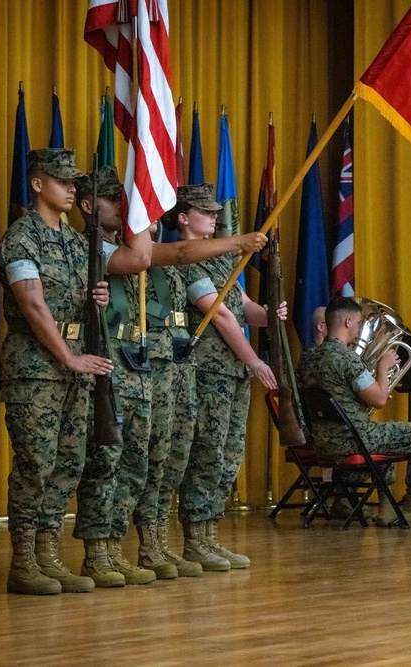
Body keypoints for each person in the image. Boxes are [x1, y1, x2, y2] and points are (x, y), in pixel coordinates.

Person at [73, 169, 269, 582]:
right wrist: (239, 241)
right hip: (117, 366)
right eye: (115, 201)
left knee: (160, 462)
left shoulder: (151, 252)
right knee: (111, 462)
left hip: (161, 369)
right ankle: (101, 551)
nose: (129, 209)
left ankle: (154, 544)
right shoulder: (91, 250)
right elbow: (172, 257)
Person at [0, 148, 118, 596]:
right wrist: (68, 357)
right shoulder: (21, 238)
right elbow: (31, 303)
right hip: (37, 367)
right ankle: (24, 562)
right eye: (64, 181)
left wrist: (97, 300)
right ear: (37, 185)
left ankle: (48, 555)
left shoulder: (76, 242)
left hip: (76, 365)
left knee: (69, 462)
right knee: (36, 463)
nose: (72, 189)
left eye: (74, 183)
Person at [174, 183, 285, 571]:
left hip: (231, 372)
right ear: (184, 217)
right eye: (205, 212)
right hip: (209, 372)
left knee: (227, 455)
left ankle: (211, 536)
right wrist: (255, 360)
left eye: (216, 211)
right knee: (206, 453)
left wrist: (269, 313)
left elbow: (243, 307)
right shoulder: (184, 259)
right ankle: (194, 539)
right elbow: (217, 313)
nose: (214, 217)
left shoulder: (223, 260)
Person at [297, 296, 411, 529]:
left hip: (322, 441)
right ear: (348, 322)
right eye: (358, 323)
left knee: (386, 439)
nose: (359, 329)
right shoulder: (347, 359)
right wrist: (382, 368)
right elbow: (378, 399)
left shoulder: (307, 358)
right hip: (354, 439)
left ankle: (359, 503)